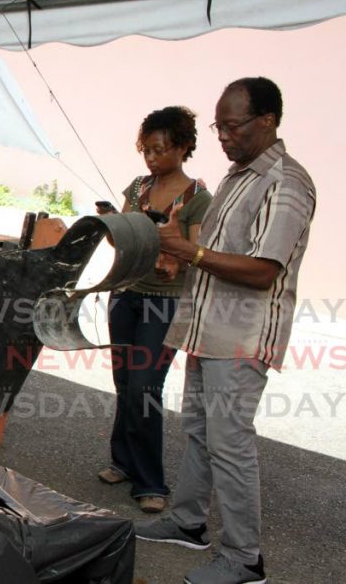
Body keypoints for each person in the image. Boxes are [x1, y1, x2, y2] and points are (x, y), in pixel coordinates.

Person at [135, 77, 316, 584]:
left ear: (268, 121)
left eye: (232, 125)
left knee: (230, 441)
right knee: (200, 431)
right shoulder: (239, 175)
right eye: (219, 125)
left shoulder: (285, 182)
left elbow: (263, 269)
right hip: (208, 329)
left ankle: (245, 559)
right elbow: (215, 253)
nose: (222, 135)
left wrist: (187, 251)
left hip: (242, 336)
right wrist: (175, 248)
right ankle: (189, 523)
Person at [96, 106, 212, 514]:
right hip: (125, 295)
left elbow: (196, 253)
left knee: (145, 387)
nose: (151, 158)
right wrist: (112, 223)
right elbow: (124, 246)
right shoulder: (137, 187)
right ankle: (123, 462)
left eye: (160, 149)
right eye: (146, 149)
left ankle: (150, 481)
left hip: (164, 303)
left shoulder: (198, 198)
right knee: (125, 382)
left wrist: (173, 251)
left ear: (183, 147)